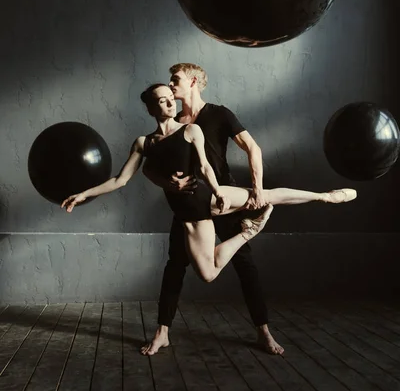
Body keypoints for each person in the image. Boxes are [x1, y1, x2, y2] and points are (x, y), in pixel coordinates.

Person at [61, 75, 357, 356]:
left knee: (267, 195)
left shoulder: (191, 130)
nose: (169, 104)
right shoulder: (144, 143)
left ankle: (324, 196)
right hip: (189, 214)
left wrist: (217, 191)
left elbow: (204, 167)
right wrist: (85, 193)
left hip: (208, 198)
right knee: (208, 273)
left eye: (169, 99)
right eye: (161, 101)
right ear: (150, 108)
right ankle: (249, 232)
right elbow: (121, 180)